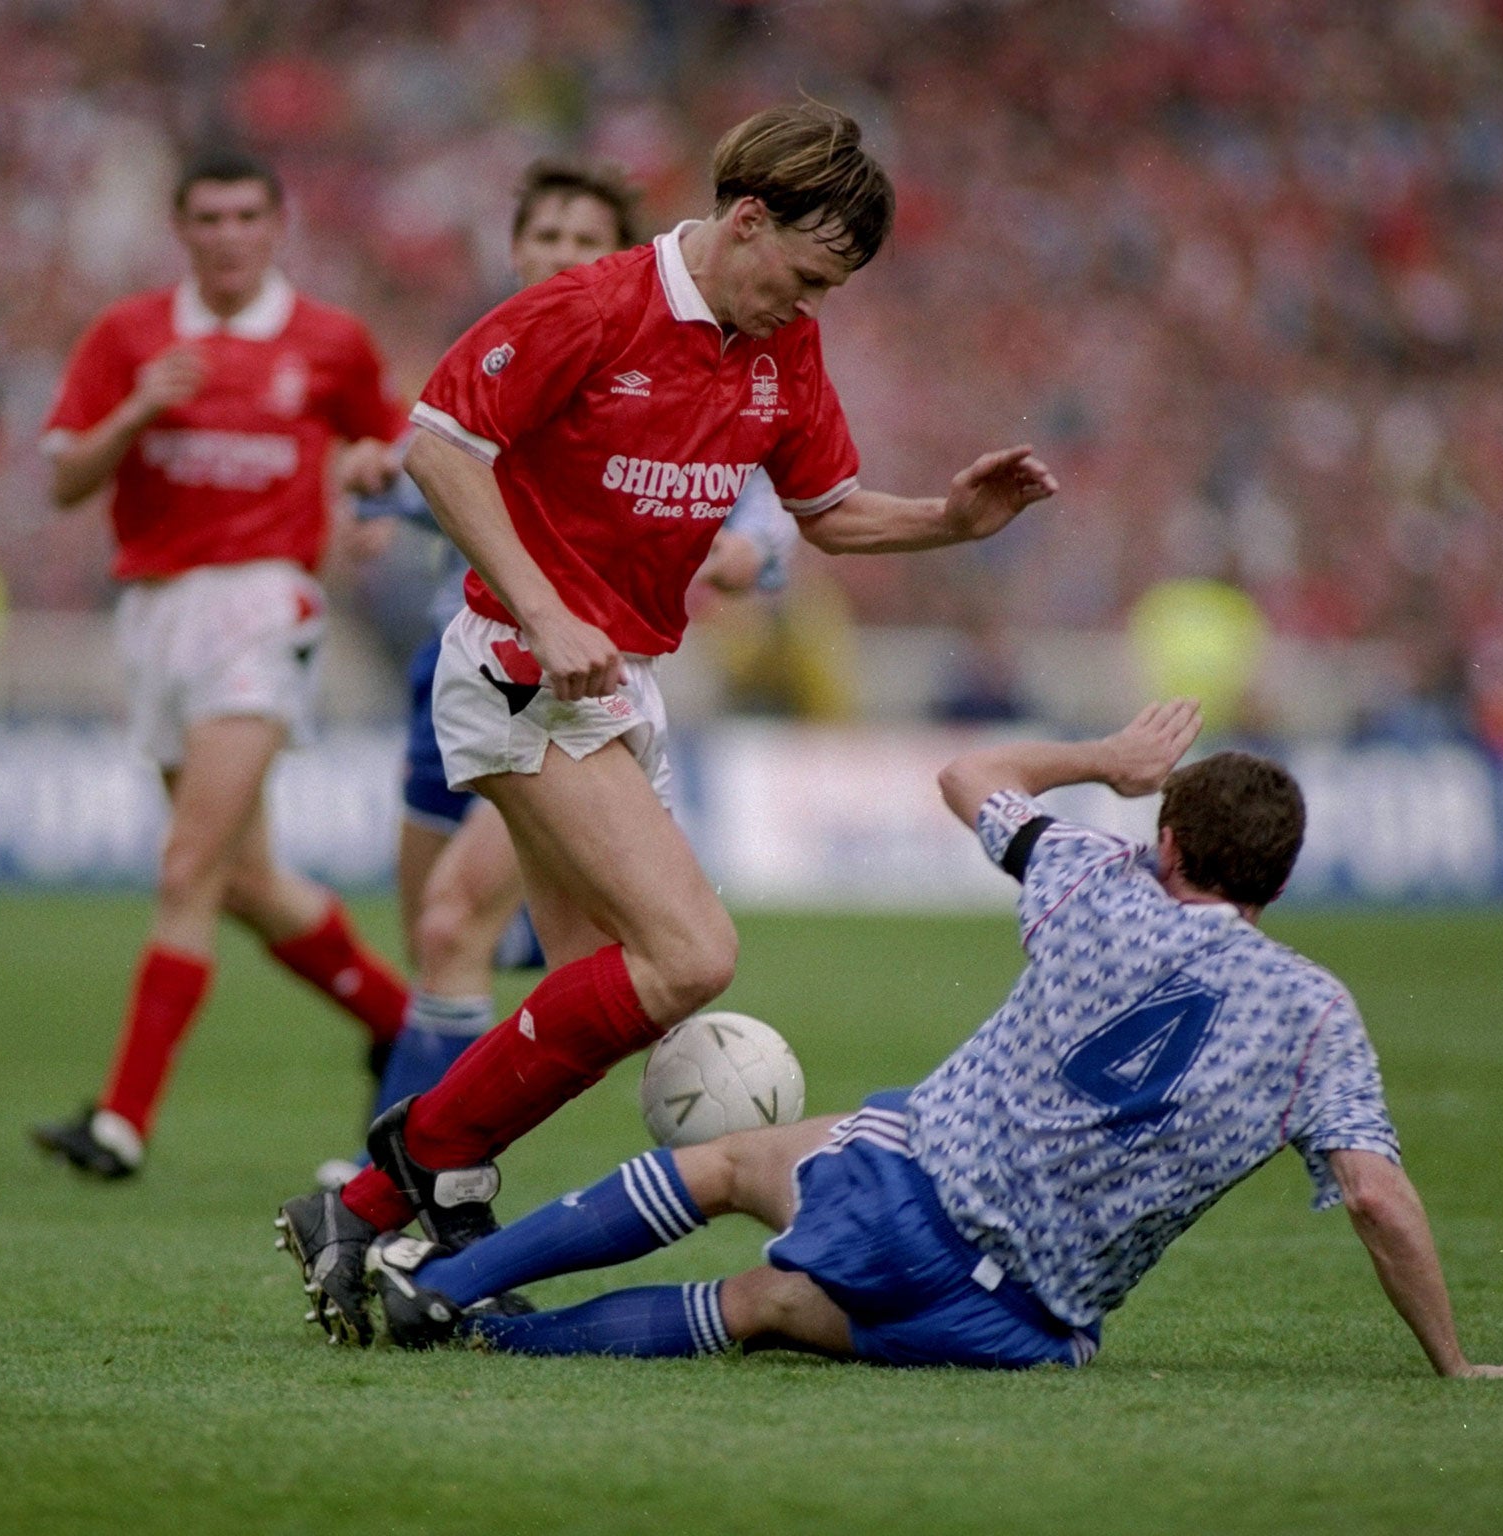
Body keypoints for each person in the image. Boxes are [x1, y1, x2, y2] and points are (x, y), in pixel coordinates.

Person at [276, 102, 1058, 1339]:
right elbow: (436, 444)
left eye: (830, 291)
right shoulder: (591, 307)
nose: (808, 308)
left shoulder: (781, 346)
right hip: (522, 676)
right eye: (801, 274)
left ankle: (377, 1201)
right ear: (746, 220)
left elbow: (831, 511)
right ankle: (422, 1169)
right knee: (690, 956)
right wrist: (542, 607)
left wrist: (949, 523)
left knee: (604, 990)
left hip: (614, 686)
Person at [344, 700, 1503, 1380]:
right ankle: (494, 1342)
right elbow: (1375, 1197)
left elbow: (967, 773)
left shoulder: (1099, 878)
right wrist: (1454, 1367)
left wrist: (1102, 762)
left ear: (1170, 844)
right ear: (1279, 881)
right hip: (1021, 1325)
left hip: (903, 1193)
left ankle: (448, 1290)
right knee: (763, 1306)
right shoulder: (1317, 1014)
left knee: (727, 1167)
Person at [344, 161, 799, 1171]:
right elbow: (427, 469)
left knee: (472, 923)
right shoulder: (498, 363)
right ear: (516, 251)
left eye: (583, 240)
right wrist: (364, 494)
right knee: (441, 931)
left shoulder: (669, 359)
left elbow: (772, 510)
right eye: (542, 238)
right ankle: (422, 1156)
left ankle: (403, 1166)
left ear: (627, 257)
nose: (560, 256)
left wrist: (746, 553)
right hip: (450, 666)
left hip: (556, 679)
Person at [30, 147, 413, 1179]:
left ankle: (120, 1122)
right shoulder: (130, 336)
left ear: (277, 223)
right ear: (181, 228)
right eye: (208, 217)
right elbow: (66, 478)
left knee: (187, 867)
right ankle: (402, 1023)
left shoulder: (330, 341)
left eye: (248, 215)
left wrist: (369, 504)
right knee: (246, 881)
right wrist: (136, 411)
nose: (229, 234)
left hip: (262, 603)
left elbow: (387, 446)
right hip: (154, 612)